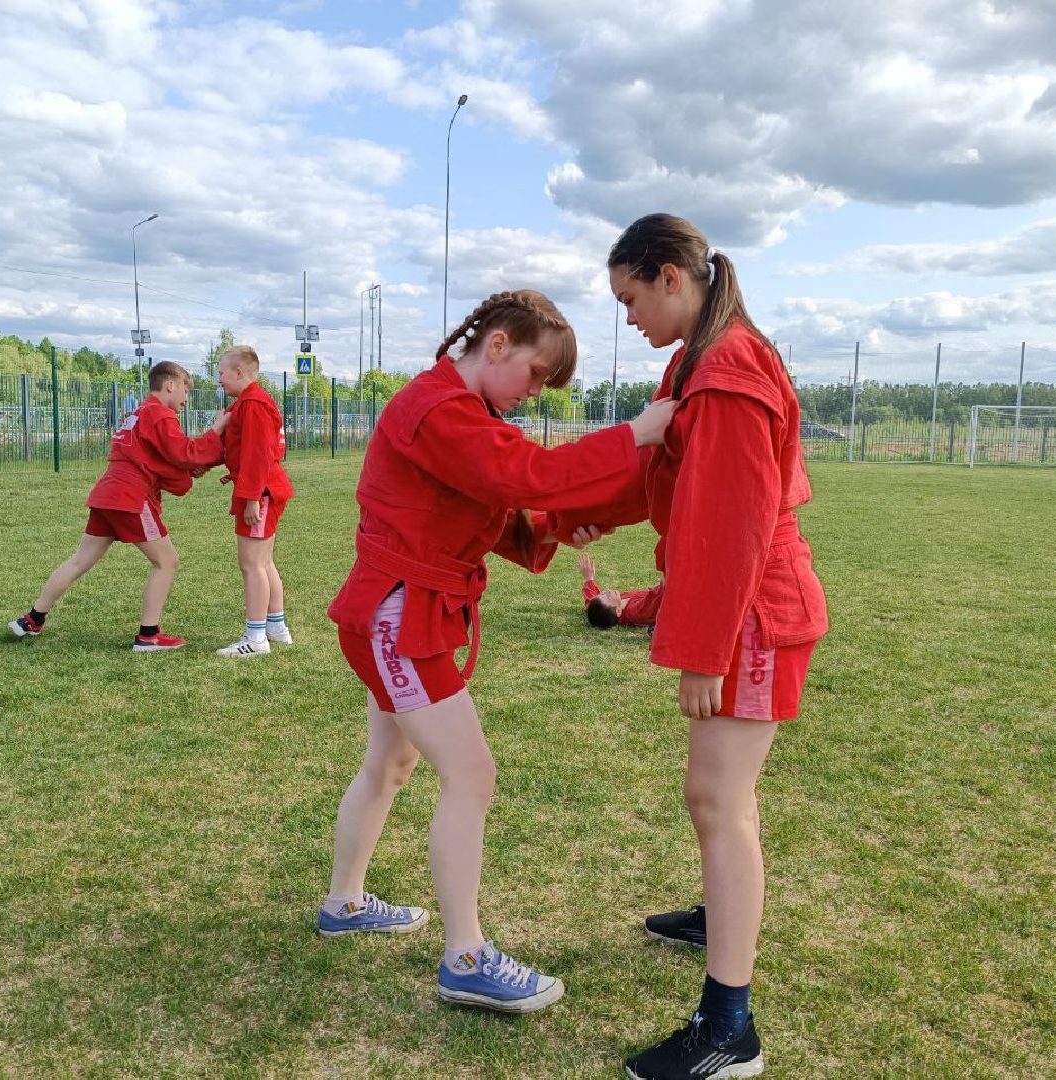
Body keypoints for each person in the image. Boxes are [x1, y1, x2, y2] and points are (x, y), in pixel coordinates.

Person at [320, 289, 676, 1015]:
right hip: (400, 615)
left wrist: (552, 530)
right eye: (537, 377)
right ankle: (466, 957)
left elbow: (501, 509)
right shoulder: (438, 407)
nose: (534, 395)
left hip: (400, 612)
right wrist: (637, 433)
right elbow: (521, 476)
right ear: (499, 346)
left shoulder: (456, 410)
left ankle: (345, 904)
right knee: (472, 774)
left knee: (390, 762)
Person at [558, 214, 828, 1079]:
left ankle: (728, 1032)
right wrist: (592, 509)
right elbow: (674, 474)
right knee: (721, 798)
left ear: (671, 276)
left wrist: (704, 651)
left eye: (631, 297)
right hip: (748, 603)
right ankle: (724, 918)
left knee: (716, 799)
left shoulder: (728, 366)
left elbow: (736, 519)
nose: (628, 317)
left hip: (755, 610)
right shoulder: (697, 361)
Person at [9, 361, 228, 651]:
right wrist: (215, 432)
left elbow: (157, 460)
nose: (186, 400)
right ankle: (148, 635)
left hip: (107, 494)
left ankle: (33, 618)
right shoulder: (160, 414)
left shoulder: (136, 415)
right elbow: (185, 454)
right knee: (167, 561)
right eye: (185, 391)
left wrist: (190, 470)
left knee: (79, 560)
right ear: (170, 385)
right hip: (130, 498)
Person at [213, 345, 295, 657]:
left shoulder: (254, 404)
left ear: (239, 372)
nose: (219, 378)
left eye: (221, 372)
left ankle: (256, 638)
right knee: (262, 562)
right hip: (263, 490)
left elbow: (258, 455)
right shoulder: (248, 403)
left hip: (262, 492)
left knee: (251, 565)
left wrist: (251, 497)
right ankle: (275, 627)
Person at [578, 551, 663, 630]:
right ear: (618, 611)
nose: (607, 591)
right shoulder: (637, 612)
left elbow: (591, 599)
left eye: (602, 593)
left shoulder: (610, 605)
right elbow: (659, 594)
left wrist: (589, 578)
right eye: (607, 596)